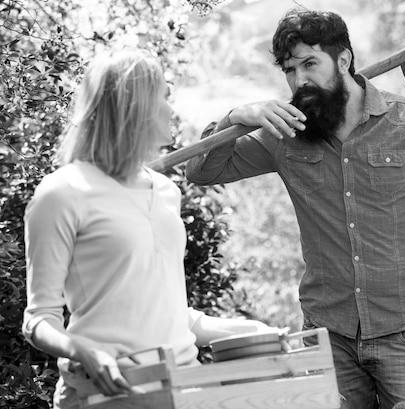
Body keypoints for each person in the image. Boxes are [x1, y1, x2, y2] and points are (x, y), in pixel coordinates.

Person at [186, 9, 405, 409]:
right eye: (290, 71)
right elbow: (203, 171)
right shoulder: (286, 135)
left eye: (310, 64)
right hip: (327, 337)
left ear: (343, 60)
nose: (300, 80)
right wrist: (235, 116)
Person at [22, 49, 273, 409]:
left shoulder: (166, 191)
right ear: (133, 106)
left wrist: (248, 329)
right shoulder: (62, 193)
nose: (171, 111)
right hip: (105, 395)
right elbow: (38, 319)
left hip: (183, 389)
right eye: (163, 99)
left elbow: (168, 312)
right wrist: (84, 351)